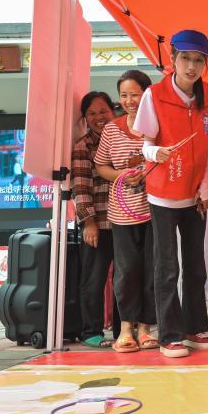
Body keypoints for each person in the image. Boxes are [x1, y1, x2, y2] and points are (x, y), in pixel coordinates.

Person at [135, 29, 208, 358]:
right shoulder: (154, 96)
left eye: (199, 60)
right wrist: (152, 153)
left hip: (196, 195)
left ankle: (194, 327)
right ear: (172, 59)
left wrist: (207, 187)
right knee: (167, 265)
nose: (191, 66)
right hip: (162, 194)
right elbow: (144, 144)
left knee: (197, 265)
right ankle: (168, 334)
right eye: (185, 58)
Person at [95, 70, 158, 353]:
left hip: (156, 210)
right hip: (121, 213)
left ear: (147, 94)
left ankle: (146, 329)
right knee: (126, 270)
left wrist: (149, 174)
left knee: (153, 269)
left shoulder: (158, 127)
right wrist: (121, 175)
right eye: (124, 95)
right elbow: (101, 166)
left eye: (136, 94)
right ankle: (126, 330)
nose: (130, 100)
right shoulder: (111, 129)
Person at [71, 91, 116, 348]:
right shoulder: (83, 146)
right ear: (85, 118)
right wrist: (88, 222)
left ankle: (124, 330)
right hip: (97, 223)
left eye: (103, 111)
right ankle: (91, 331)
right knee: (94, 278)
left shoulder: (123, 138)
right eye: (92, 113)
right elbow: (80, 186)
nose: (99, 117)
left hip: (124, 220)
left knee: (125, 278)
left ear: (113, 111)